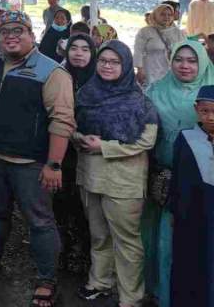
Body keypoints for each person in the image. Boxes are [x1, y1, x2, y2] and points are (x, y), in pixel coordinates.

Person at [0, 11, 75, 307]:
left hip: (32, 164)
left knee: (39, 221)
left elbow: (62, 121)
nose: (11, 36)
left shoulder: (51, 72)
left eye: (18, 31)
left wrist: (54, 164)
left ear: (32, 35)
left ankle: (47, 279)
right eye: (5, 32)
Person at [74, 40, 157, 306]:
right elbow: (71, 124)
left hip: (124, 180)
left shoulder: (139, 101)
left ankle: (130, 297)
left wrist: (105, 147)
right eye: (103, 61)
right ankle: (100, 282)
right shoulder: (86, 94)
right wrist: (78, 138)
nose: (107, 66)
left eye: (114, 62)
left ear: (126, 65)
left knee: (126, 240)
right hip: (91, 175)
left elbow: (147, 140)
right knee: (98, 235)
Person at [142, 40, 213, 306]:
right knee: (166, 243)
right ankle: (164, 294)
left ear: (203, 62)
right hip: (167, 181)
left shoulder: (210, 89)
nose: (185, 66)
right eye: (179, 59)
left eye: (192, 61)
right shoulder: (155, 91)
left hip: (206, 185)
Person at [168, 85, 214, 307]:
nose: (211, 117)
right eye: (205, 111)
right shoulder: (186, 138)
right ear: (196, 110)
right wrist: (174, 210)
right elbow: (177, 177)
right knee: (190, 262)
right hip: (191, 214)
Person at [56, 33, 97, 272]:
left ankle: (87, 254)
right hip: (62, 149)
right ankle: (64, 250)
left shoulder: (100, 80)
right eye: (74, 48)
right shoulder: (58, 77)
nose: (79, 53)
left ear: (93, 54)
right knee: (63, 200)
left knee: (87, 206)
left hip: (92, 151)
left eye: (85, 49)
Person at [134, 3, 185, 86]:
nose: (167, 17)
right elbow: (138, 51)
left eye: (170, 15)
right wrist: (140, 69)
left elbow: (184, 52)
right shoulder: (145, 31)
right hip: (151, 70)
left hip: (171, 71)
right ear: (156, 15)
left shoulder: (178, 33)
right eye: (163, 14)